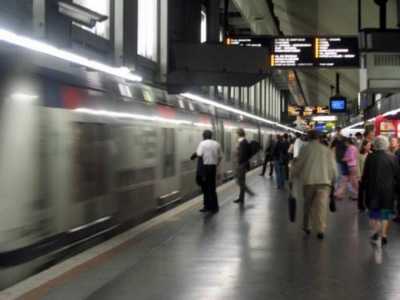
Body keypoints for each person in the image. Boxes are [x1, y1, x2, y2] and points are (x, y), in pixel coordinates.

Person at [292, 130, 337, 240]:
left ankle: (307, 226)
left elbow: (298, 166)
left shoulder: (304, 150)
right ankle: (320, 229)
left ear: (308, 137)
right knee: (321, 207)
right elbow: (333, 169)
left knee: (308, 205)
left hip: (309, 182)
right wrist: (333, 180)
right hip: (324, 183)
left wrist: (292, 176)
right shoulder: (326, 150)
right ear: (319, 138)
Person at [362, 135, 400, 247]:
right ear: (386, 145)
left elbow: (365, 175)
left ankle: (376, 232)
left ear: (375, 145)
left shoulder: (370, 157)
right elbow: (398, 175)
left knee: (374, 214)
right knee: (385, 214)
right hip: (388, 191)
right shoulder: (392, 157)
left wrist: (363, 187)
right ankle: (384, 235)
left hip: (373, 190)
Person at [191, 130, 222, 213]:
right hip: (213, 167)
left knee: (205, 188)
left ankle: (207, 206)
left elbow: (199, 154)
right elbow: (220, 157)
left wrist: (193, 156)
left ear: (204, 136)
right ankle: (215, 206)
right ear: (211, 136)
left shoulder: (202, 143)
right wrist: (216, 164)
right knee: (212, 188)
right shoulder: (216, 143)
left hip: (205, 168)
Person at [234, 128, 255, 204]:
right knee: (241, 181)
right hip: (242, 164)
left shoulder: (243, 142)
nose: (235, 135)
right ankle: (241, 198)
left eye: (236, 134)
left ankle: (249, 193)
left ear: (239, 134)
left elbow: (242, 155)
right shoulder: (244, 142)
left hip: (241, 165)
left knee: (239, 181)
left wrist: (238, 159)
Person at [357, 140, 371, 212]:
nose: (369, 147)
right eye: (368, 145)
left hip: (369, 176)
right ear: (364, 146)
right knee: (361, 192)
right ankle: (361, 206)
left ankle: (368, 205)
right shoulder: (359, 155)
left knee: (369, 192)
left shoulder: (371, 154)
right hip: (362, 176)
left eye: (370, 145)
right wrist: (359, 176)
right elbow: (357, 166)